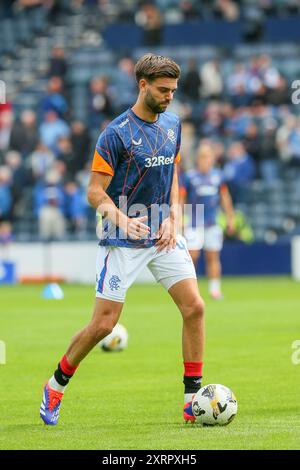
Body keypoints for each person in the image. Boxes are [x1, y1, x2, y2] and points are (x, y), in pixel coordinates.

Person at [39, 53, 205, 425]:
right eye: (163, 90)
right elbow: (94, 192)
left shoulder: (173, 124)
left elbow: (174, 172)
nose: (169, 98)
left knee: (195, 307)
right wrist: (121, 219)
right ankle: (56, 384)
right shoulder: (114, 134)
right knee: (103, 325)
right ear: (142, 85)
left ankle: (192, 400)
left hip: (162, 235)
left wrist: (174, 217)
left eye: (173, 91)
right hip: (122, 239)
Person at [180, 141, 235, 300]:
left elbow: (225, 198)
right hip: (194, 221)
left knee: (213, 256)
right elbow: (181, 198)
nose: (205, 160)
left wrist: (230, 218)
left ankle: (215, 290)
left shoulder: (218, 176)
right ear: (198, 159)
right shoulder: (190, 176)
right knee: (192, 257)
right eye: (202, 157)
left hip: (212, 222)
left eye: (208, 157)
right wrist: (180, 219)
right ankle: (191, 291)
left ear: (212, 158)